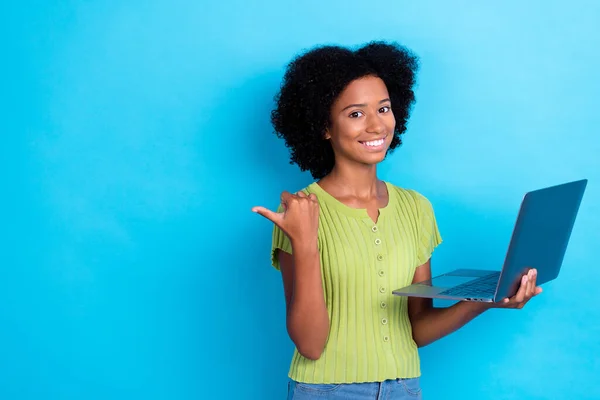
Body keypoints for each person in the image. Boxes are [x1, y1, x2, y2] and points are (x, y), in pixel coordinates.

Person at [252, 41, 542, 400]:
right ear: (324, 126)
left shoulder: (415, 207)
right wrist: (305, 242)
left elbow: (417, 328)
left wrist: (489, 300)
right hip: (325, 390)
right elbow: (310, 345)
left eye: (384, 108)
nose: (376, 126)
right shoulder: (300, 212)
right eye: (355, 114)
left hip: (404, 388)